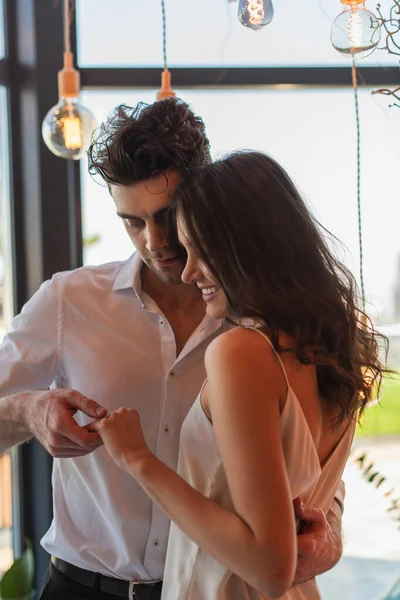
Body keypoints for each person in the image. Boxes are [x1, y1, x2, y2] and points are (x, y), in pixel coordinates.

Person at [0, 100, 345, 600]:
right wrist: (29, 411)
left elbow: (312, 472)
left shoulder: (263, 334)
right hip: (83, 588)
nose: (155, 241)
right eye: (132, 222)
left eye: (167, 216)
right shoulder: (68, 300)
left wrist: (328, 538)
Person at [91, 151, 387, 600]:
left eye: (201, 251)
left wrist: (138, 459)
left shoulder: (241, 351)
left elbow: (268, 567)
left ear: (249, 246)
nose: (188, 272)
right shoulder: (330, 352)